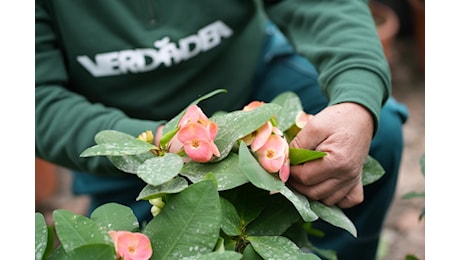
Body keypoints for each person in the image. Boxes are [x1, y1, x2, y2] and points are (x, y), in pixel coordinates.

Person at [35, 0, 408, 259]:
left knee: (381, 134)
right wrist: (160, 147)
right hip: (134, 148)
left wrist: (356, 98)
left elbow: (324, 7)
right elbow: (34, 99)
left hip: (252, 88)